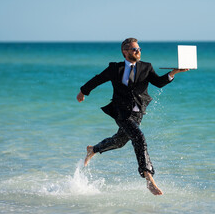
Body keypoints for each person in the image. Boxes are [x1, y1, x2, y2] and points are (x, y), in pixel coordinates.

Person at [77, 38, 189, 195]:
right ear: (125, 52)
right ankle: (148, 177)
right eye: (135, 49)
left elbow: (158, 82)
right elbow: (98, 79)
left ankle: (93, 149)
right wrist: (83, 91)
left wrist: (174, 72)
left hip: (137, 113)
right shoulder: (115, 68)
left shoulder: (146, 67)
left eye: (139, 49)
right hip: (120, 112)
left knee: (120, 141)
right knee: (139, 137)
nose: (138, 52)